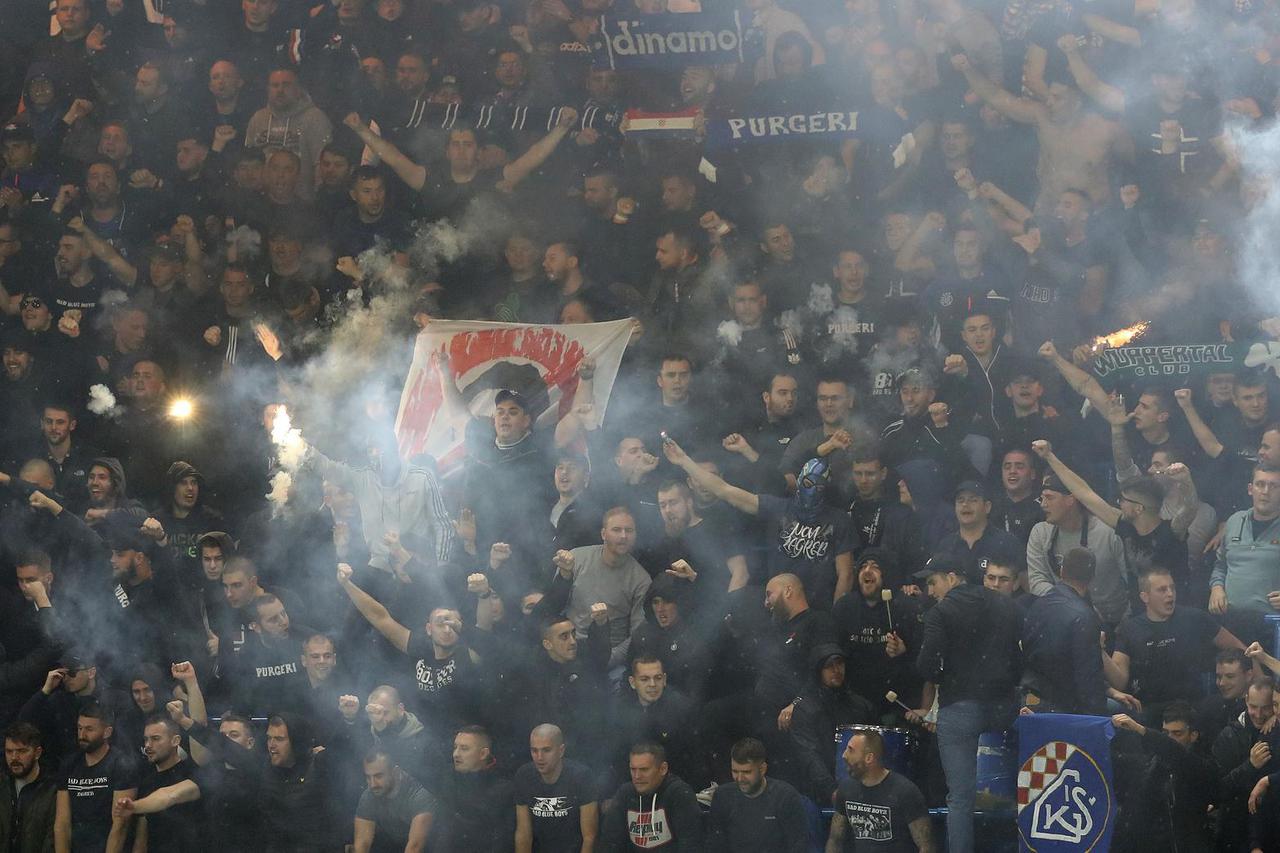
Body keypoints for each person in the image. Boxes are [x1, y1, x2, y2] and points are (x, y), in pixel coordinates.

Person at [663, 437, 856, 607]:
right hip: (776, 605)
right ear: (799, 483)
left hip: (816, 610)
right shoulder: (778, 508)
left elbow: (845, 575)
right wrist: (684, 461)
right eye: (807, 483)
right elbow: (725, 490)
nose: (813, 490)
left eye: (819, 486)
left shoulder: (838, 520)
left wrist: (838, 615)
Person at [914, 555, 1020, 853]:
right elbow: (1019, 658)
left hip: (960, 706)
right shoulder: (1005, 604)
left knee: (960, 798)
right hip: (1004, 708)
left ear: (951, 577)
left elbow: (927, 667)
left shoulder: (941, 612)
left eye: (932, 582)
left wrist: (947, 672)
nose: (931, 590)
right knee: (1015, 787)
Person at [1106, 566, 1243, 720]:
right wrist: (1100, 651)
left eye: (1172, 588)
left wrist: (1256, 685)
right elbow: (1119, 681)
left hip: (1191, 708)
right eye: (1162, 590)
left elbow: (1241, 650)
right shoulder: (1129, 628)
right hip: (1148, 710)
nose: (1170, 594)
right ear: (1145, 597)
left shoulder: (1195, 618)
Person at [1111, 705, 1217, 853]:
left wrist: (1140, 730)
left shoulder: (1199, 766)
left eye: (1177, 733)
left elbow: (1175, 753)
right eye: (1165, 733)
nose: (1170, 738)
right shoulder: (1151, 764)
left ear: (1193, 735)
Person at [1020, 548, 1106, 714]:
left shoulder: (1037, 605)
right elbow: (1088, 680)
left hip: (1030, 698)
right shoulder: (1085, 617)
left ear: (1061, 571)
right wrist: (1097, 722)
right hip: (1064, 707)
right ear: (1092, 578)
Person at [826, 727, 934, 853]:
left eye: (851, 750)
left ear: (869, 758)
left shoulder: (905, 791)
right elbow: (835, 840)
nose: (844, 755)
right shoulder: (846, 789)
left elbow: (927, 846)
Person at [54, 702, 137, 853]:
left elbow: (120, 825)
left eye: (89, 729)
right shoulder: (69, 764)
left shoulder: (122, 765)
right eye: (79, 728)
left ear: (107, 732)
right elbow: (62, 823)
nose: (82, 735)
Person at [116, 715, 204, 852]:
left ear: (175, 741)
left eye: (156, 739)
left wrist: (135, 806)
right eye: (146, 739)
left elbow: (169, 795)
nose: (148, 745)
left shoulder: (193, 772)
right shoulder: (146, 779)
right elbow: (142, 835)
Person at [706, 738, 808, 853]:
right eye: (735, 771)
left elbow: (798, 846)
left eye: (746, 772)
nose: (739, 779)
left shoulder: (786, 797)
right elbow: (715, 846)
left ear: (762, 769)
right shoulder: (722, 797)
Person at [600, 742, 702, 852]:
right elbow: (610, 842)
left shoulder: (679, 793)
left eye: (644, 769)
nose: (637, 776)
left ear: (663, 769)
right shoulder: (625, 793)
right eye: (633, 769)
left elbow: (691, 845)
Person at [512, 724, 598, 853]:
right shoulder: (524, 775)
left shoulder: (581, 777)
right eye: (534, 750)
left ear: (561, 750)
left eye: (546, 750)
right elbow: (523, 833)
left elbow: (589, 836)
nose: (539, 757)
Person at [353, 749, 436, 853]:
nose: (373, 784)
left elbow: (415, 847)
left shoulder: (419, 796)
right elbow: (362, 842)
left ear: (396, 772)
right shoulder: (369, 796)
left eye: (378, 776)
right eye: (368, 777)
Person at [0, 722, 57, 853]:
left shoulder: (52, 790)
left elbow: (52, 840)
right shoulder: (3, 786)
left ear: (37, 753)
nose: (14, 758)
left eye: (21, 751)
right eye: (9, 751)